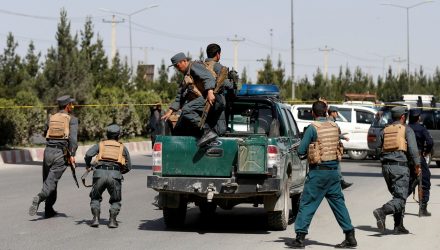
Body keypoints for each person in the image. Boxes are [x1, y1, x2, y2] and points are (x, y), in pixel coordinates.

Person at [287, 101, 357, 249]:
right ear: (326, 112)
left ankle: (300, 238)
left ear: (313, 113)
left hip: (318, 173)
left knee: (307, 203)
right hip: (333, 173)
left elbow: (300, 151)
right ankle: (350, 235)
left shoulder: (313, 128)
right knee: (339, 205)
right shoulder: (334, 126)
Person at [373, 106, 420, 235]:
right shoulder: (406, 130)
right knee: (400, 197)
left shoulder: (384, 130)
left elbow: (377, 149)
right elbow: (413, 150)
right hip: (400, 167)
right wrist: (417, 166)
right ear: (403, 117)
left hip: (386, 168)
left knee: (398, 195)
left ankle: (398, 226)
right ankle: (382, 211)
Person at [29, 95, 78, 218]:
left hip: (48, 152)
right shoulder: (72, 119)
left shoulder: (51, 118)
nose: (72, 106)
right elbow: (73, 139)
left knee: (49, 180)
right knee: (51, 181)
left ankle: (48, 209)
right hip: (60, 154)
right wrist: (72, 155)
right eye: (71, 104)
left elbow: (45, 132)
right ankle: (40, 197)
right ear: (67, 106)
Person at [161, 52, 218, 147]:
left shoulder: (194, 66)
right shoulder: (187, 75)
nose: (177, 68)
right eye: (175, 66)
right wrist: (170, 111)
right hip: (205, 99)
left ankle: (207, 131)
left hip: (211, 97)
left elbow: (208, 77)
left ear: (184, 61)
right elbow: (180, 95)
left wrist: (210, 92)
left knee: (187, 109)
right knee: (182, 121)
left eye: (177, 65)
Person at [84, 124, 131, 228]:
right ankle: (112, 221)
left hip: (99, 174)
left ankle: (95, 219)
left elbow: (88, 154)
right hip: (115, 175)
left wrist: (88, 165)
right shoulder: (122, 147)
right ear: (118, 135)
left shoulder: (100, 145)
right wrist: (119, 172)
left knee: (95, 197)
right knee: (115, 199)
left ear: (107, 134)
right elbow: (128, 166)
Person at [204, 43, 234, 136]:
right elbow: (227, 84)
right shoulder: (217, 66)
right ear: (217, 54)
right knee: (221, 130)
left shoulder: (201, 65)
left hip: (202, 101)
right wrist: (232, 83)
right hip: (216, 102)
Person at [408, 108, 433, 216]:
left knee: (409, 182)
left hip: (407, 158)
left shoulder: (406, 128)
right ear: (419, 117)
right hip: (419, 157)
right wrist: (426, 152)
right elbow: (430, 142)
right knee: (425, 180)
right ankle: (423, 208)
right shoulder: (421, 129)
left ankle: (400, 205)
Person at [328, 106, 353, 190]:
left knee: (336, 165)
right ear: (332, 113)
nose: (337, 114)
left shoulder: (331, 121)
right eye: (336, 112)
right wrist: (343, 137)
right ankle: (340, 182)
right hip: (331, 147)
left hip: (332, 146)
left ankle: (340, 182)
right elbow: (333, 133)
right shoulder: (330, 122)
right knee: (335, 165)